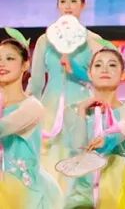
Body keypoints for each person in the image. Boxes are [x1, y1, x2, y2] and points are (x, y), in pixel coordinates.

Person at [27, 0, 105, 191]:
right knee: (49, 166)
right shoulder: (45, 40)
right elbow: (36, 83)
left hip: (80, 108)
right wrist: (25, 111)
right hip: (50, 107)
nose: (68, 6)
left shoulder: (93, 40)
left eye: (73, 1)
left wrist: (75, 69)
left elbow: (100, 80)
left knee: (78, 166)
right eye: (63, 1)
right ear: (58, 6)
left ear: (83, 5)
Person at [64, 46, 125, 208]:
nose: (104, 69)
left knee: (115, 168)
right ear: (89, 73)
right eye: (98, 65)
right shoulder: (73, 110)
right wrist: (82, 110)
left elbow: (116, 137)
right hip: (83, 186)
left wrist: (104, 140)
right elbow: (77, 148)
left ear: (122, 74)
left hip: (117, 185)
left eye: (112, 65)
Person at [0, 27, 63, 208]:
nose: (2, 64)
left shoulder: (32, 107)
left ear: (25, 65)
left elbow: (3, 127)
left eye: (10, 58)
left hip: (23, 192)